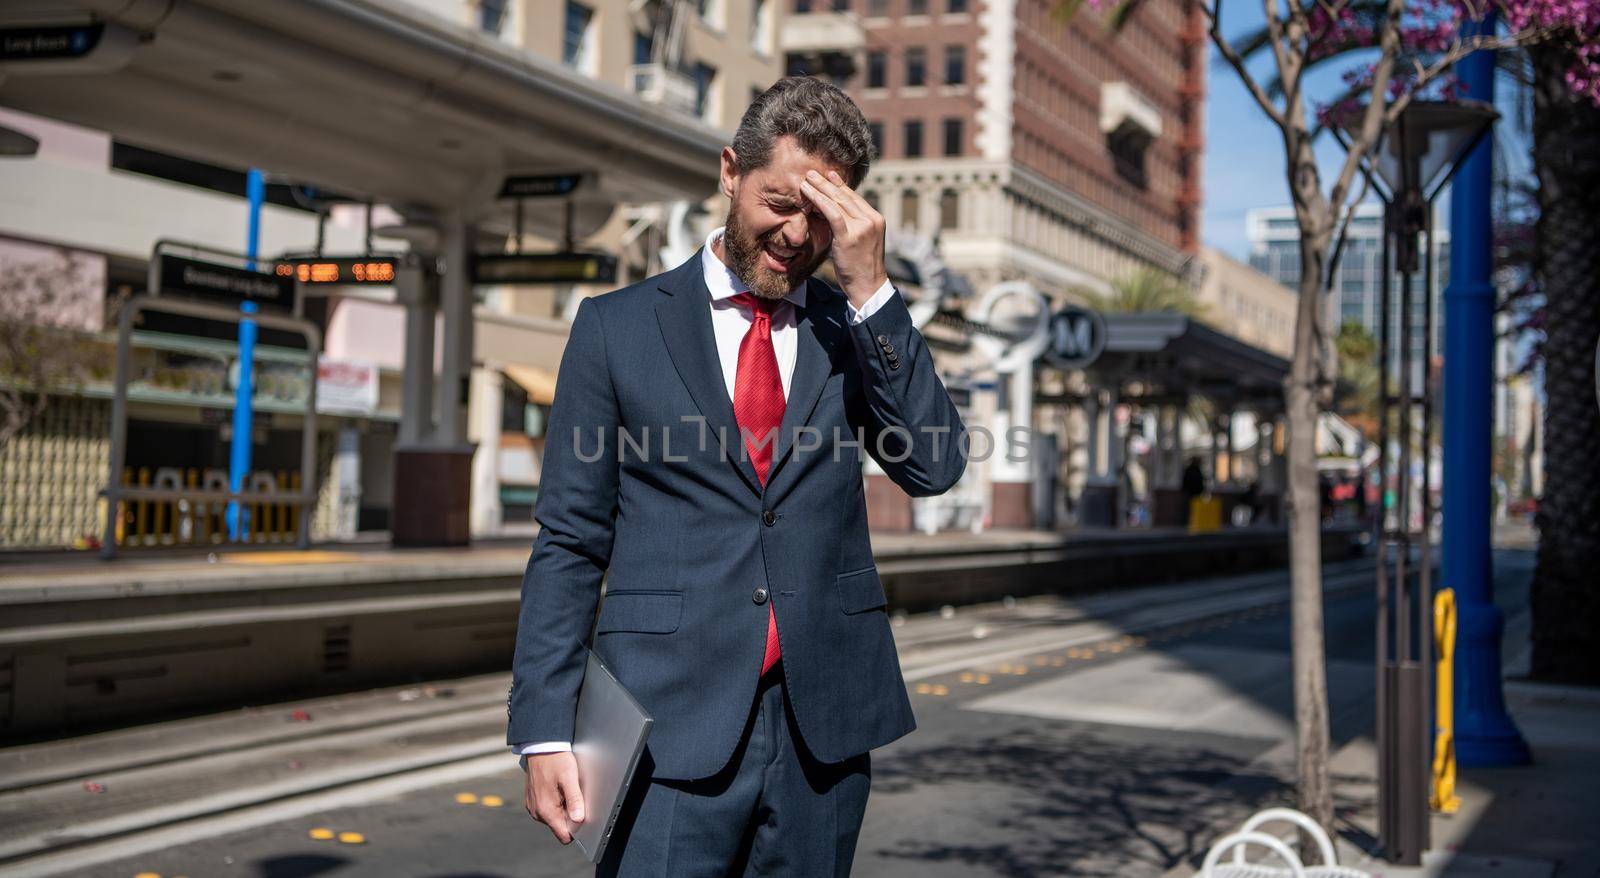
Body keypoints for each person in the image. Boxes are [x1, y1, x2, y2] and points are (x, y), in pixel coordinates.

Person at [508, 77, 967, 876]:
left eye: (821, 217)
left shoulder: (851, 325)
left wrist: (871, 290)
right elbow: (571, 541)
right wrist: (544, 729)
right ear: (730, 171)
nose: (795, 234)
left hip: (822, 735)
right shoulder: (614, 328)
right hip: (664, 729)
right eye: (780, 202)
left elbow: (933, 465)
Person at [1181, 456, 1206, 525]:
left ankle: (1193, 521)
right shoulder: (1192, 470)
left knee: (1193, 508)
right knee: (1190, 508)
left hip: (1194, 492)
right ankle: (1190, 521)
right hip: (1191, 492)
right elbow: (1186, 481)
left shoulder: (1195, 470)